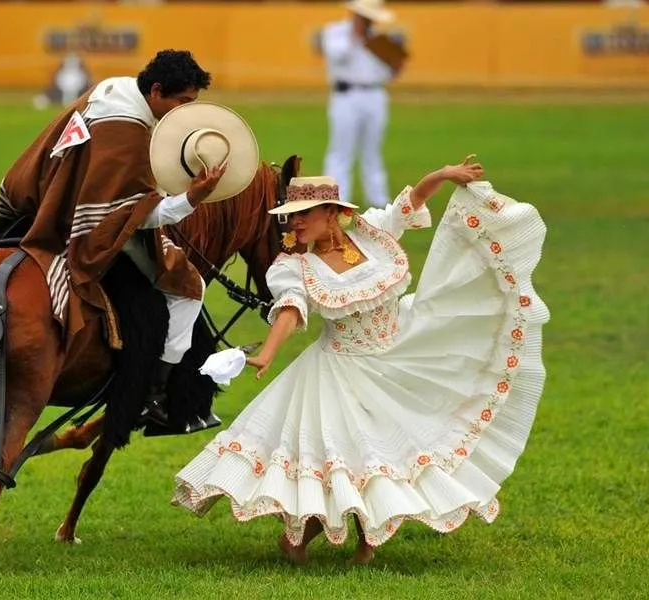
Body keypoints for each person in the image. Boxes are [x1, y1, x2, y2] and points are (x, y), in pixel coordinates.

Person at [172, 157, 550, 564]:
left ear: (333, 213)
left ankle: (363, 541)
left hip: (398, 355)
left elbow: (408, 204)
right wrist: (267, 351)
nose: (295, 225)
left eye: (304, 215)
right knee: (347, 455)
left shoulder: (373, 236)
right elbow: (290, 308)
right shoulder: (294, 266)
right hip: (339, 368)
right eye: (290, 218)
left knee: (395, 450)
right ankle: (306, 539)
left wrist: (441, 175)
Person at [0, 50, 232, 432]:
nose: (183, 111)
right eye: (181, 102)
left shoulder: (114, 87)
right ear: (157, 90)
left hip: (30, 201)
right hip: (78, 225)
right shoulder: (127, 129)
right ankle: (155, 395)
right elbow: (125, 215)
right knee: (187, 285)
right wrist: (191, 199)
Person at [319, 0, 406, 209]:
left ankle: (377, 198)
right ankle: (336, 197)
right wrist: (356, 36)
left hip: (375, 94)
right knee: (341, 149)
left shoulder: (379, 38)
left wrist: (395, 62)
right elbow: (338, 56)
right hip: (345, 95)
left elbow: (391, 71)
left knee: (373, 149)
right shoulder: (335, 32)